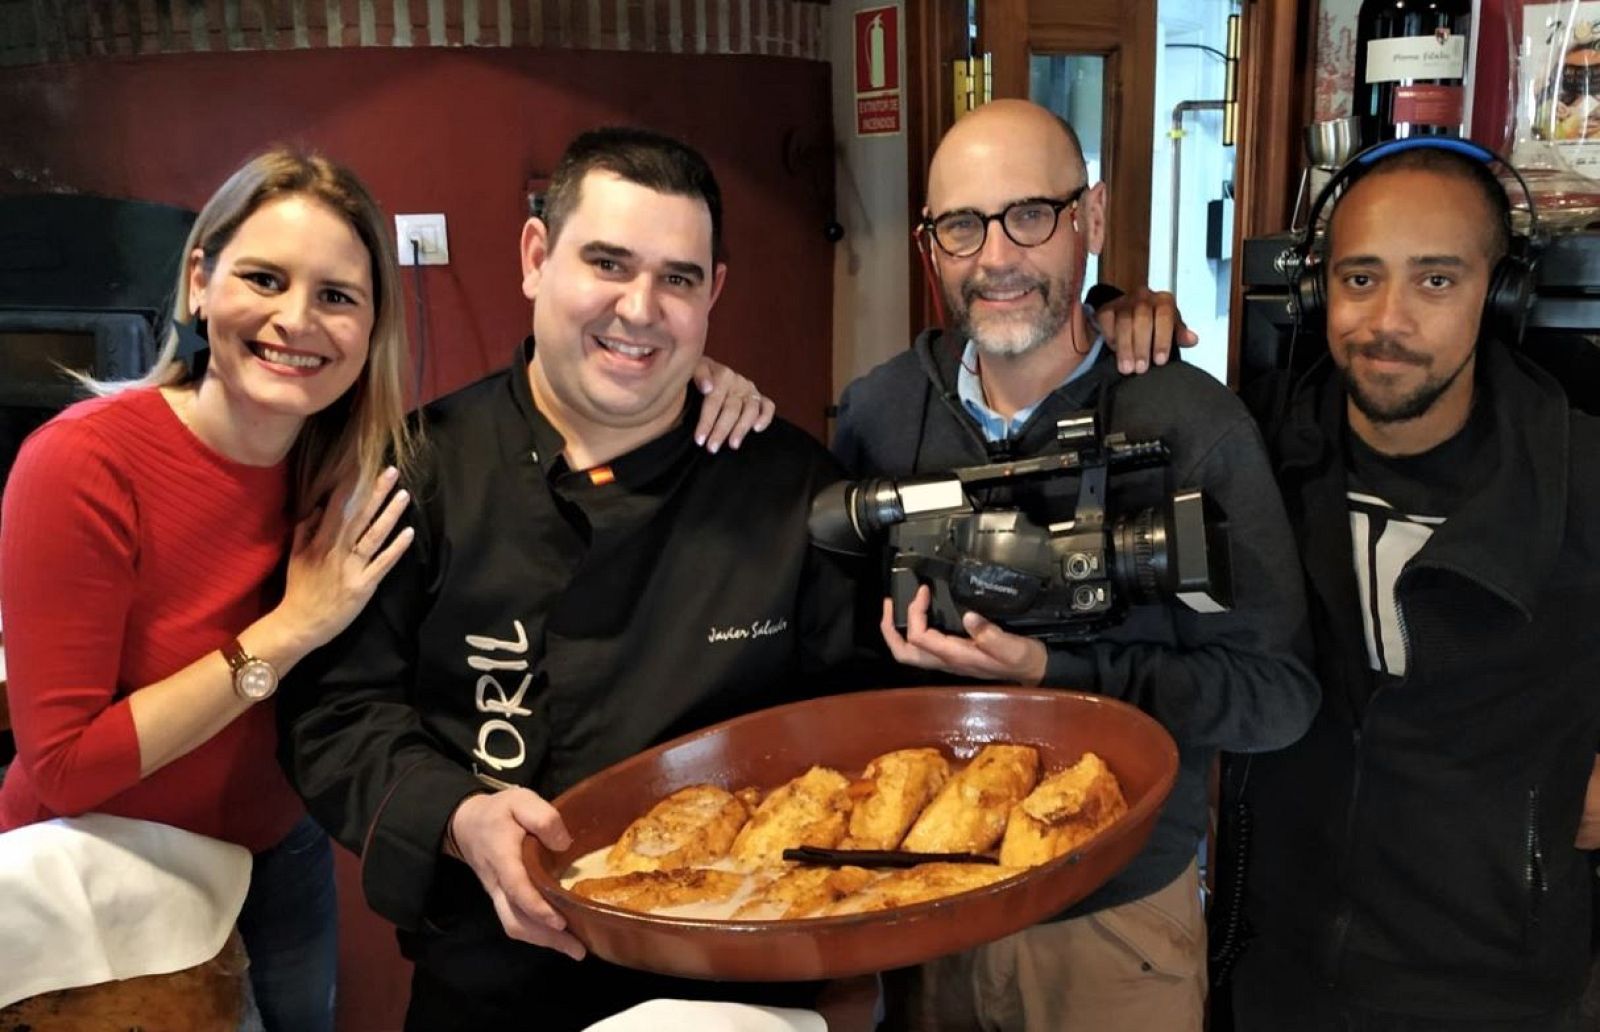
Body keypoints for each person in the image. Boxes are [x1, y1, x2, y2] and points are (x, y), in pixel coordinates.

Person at [0, 147, 769, 1032]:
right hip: (107, 870)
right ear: (200, 281)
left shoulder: (344, 461)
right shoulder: (82, 460)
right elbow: (60, 764)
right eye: (263, 278)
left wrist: (683, 376)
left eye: (336, 296)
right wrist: (287, 634)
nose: (297, 321)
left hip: (268, 853)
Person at [275, 126, 865, 1031]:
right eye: (608, 263)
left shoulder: (792, 487)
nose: (639, 308)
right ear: (535, 256)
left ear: (713, 296)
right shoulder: (419, 473)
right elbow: (338, 714)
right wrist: (458, 814)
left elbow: (856, 734)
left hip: (737, 983)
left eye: (677, 279)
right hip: (494, 981)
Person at [830, 99, 1319, 1032]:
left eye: (1031, 214)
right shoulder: (883, 414)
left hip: (1115, 920)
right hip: (922, 905)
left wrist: (1064, 676)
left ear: (1092, 218)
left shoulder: (1188, 422)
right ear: (930, 246)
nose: (997, 256)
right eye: (962, 225)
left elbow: (1277, 698)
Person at [1218, 144, 1600, 1030]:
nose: (1386, 320)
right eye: (1360, 279)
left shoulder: (1581, 477)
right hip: (1279, 966)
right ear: (1320, 293)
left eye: (1435, 282)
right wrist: (1122, 316)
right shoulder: (1261, 456)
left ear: (1501, 295)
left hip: (1499, 990)